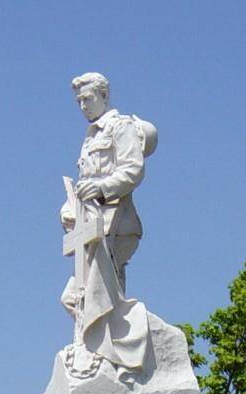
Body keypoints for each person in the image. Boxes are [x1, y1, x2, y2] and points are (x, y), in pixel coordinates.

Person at [61, 73, 157, 376]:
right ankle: (94, 347)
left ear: (104, 95)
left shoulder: (120, 127)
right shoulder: (90, 137)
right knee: (74, 296)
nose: (82, 106)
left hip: (116, 222)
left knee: (98, 292)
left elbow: (132, 170)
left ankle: (111, 352)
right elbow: (83, 184)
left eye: (87, 99)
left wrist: (102, 188)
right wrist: (70, 208)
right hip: (89, 225)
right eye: (78, 101)